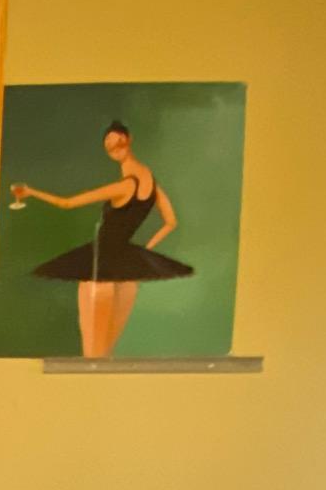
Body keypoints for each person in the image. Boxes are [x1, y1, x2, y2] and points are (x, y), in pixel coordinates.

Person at [11, 121, 192, 357]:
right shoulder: (152, 183)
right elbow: (171, 222)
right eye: (109, 145)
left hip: (100, 271)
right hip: (126, 276)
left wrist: (31, 192)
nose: (114, 149)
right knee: (106, 356)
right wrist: (145, 252)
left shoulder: (125, 186)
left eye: (116, 143)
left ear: (127, 141)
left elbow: (67, 203)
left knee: (93, 358)